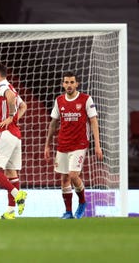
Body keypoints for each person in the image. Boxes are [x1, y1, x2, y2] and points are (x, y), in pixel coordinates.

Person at [44, 71, 103, 219]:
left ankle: (82, 202)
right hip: (63, 144)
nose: (69, 85)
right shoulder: (59, 101)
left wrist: (97, 145)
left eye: (72, 82)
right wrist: (47, 145)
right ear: (62, 84)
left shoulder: (86, 99)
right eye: (66, 82)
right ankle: (68, 211)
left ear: (77, 84)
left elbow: (94, 122)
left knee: (73, 175)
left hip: (80, 144)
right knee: (64, 179)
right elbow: (53, 124)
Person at [0, 62, 28, 220]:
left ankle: (18, 194)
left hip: (4, 133)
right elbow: (24, 106)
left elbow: (9, 96)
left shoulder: (0, 86)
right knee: (10, 173)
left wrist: (10, 117)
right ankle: (10, 211)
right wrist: (15, 119)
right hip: (16, 135)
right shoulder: (12, 86)